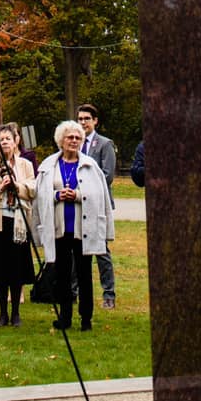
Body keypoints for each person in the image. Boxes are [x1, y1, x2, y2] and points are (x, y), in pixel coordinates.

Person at [34, 119, 112, 331]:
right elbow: (40, 194)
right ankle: (65, 317)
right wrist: (57, 195)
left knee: (85, 274)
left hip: (82, 229)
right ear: (61, 140)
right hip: (59, 228)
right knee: (62, 275)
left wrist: (77, 195)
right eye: (70, 137)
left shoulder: (90, 166)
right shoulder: (49, 166)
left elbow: (99, 196)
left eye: (78, 138)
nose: (74, 141)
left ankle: (86, 318)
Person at [0, 123, 38, 327]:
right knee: (0, 269)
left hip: (18, 223)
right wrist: (0, 189)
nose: (4, 143)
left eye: (7, 139)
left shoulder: (25, 165)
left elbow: (32, 189)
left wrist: (16, 186)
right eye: (0, 140)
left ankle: (16, 313)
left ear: (15, 141)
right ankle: (2, 313)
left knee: (16, 269)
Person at [77, 104, 119, 310]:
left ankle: (109, 294)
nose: (83, 122)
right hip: (77, 204)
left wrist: (85, 188)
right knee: (76, 249)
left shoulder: (104, 144)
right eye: (80, 119)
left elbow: (107, 175)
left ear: (95, 121)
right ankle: (73, 291)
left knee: (101, 250)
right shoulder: (74, 143)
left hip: (98, 204)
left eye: (87, 118)